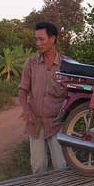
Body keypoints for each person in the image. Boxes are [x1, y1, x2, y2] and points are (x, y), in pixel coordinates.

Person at [18, 21, 68, 175]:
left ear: (52, 39)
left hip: (57, 124)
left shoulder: (67, 65)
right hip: (36, 123)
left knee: (61, 167)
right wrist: (26, 111)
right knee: (38, 167)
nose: (37, 43)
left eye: (41, 39)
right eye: (36, 39)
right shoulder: (31, 63)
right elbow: (22, 90)